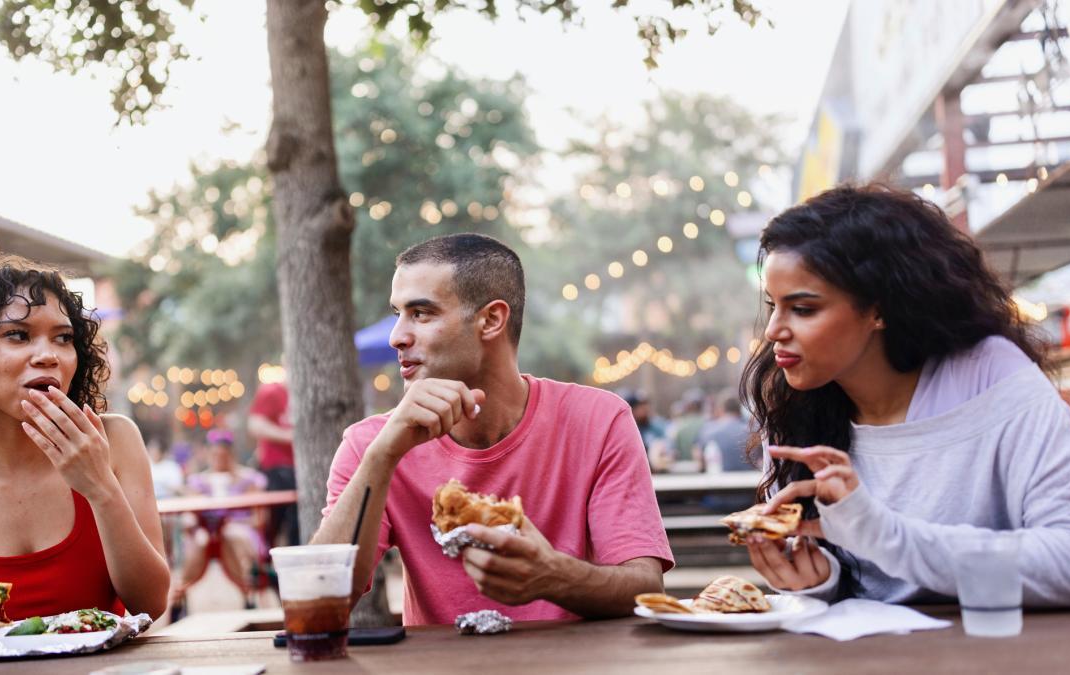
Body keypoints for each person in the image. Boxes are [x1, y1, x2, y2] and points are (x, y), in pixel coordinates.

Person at [740, 183, 1070, 606]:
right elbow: (853, 588)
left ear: (880, 309)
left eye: (804, 309)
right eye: (773, 306)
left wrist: (881, 533)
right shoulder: (795, 407)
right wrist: (817, 579)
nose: (773, 330)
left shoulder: (988, 374)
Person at [312, 233, 672, 625]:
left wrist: (553, 575)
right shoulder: (373, 443)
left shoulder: (598, 420)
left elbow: (646, 588)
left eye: (421, 313)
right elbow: (318, 602)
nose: (397, 336)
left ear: (491, 320)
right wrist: (381, 459)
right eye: (398, 313)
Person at [0, 255, 170, 643]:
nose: (48, 354)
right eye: (18, 335)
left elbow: (151, 603)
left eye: (64, 337)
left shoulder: (115, 439)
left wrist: (101, 488)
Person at [174, 430, 267, 602]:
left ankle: (247, 589)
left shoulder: (250, 479)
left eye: (223, 455)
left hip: (240, 531)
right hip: (206, 531)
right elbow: (189, 517)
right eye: (215, 455)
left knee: (231, 534)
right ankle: (181, 593)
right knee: (200, 539)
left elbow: (259, 518)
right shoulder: (198, 482)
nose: (219, 459)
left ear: (231, 455)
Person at [247, 379, 299, 546]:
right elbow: (255, 425)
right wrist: (290, 437)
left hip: (298, 470)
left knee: (294, 524)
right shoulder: (272, 391)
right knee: (273, 524)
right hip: (277, 469)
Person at [693, 390, 755, 473]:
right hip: (751, 483)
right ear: (739, 410)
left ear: (721, 409)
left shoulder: (708, 431)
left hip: (717, 483)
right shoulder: (752, 432)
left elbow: (699, 459)